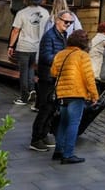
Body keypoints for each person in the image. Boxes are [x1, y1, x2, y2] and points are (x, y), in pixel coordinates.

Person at [49, 29, 98, 164]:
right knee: (73, 123)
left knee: (63, 123)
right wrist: (94, 95)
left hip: (62, 94)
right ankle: (68, 154)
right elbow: (89, 77)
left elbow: (53, 72)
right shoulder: (83, 56)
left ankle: (58, 151)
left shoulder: (60, 54)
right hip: (77, 94)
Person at [28, 10, 74, 152]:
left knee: (52, 108)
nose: (68, 24)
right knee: (45, 108)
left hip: (55, 77)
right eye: (66, 21)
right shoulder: (50, 36)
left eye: (70, 22)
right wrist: (63, 59)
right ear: (57, 20)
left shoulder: (63, 35)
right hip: (47, 77)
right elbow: (46, 57)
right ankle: (36, 139)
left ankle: (44, 134)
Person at [9, 0, 51, 106]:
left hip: (24, 46)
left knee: (23, 71)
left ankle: (24, 97)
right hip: (38, 46)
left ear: (28, 0)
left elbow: (16, 30)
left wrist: (11, 45)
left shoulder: (22, 13)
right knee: (31, 68)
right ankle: (32, 90)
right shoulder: (46, 13)